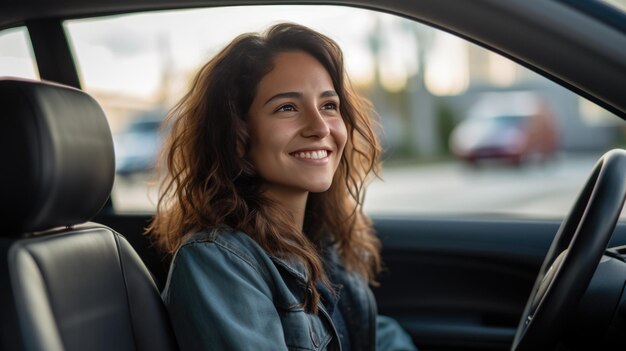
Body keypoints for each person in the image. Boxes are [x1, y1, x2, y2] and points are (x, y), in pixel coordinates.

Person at [149, 23, 417, 351]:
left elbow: (378, 338)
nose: (320, 127)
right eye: (287, 108)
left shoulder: (323, 240)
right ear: (238, 137)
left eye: (329, 105)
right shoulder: (216, 261)